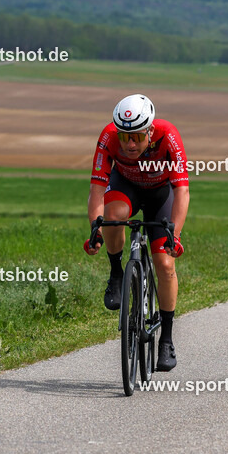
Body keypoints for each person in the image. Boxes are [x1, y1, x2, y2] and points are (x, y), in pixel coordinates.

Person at [84, 94, 189, 371]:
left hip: (160, 195)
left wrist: (174, 236)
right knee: (113, 217)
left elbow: (182, 191)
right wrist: (95, 228)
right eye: (124, 137)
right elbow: (97, 189)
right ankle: (117, 273)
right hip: (127, 186)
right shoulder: (107, 137)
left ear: (150, 131)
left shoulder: (169, 136)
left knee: (165, 265)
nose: (130, 144)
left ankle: (166, 339)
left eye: (137, 138)